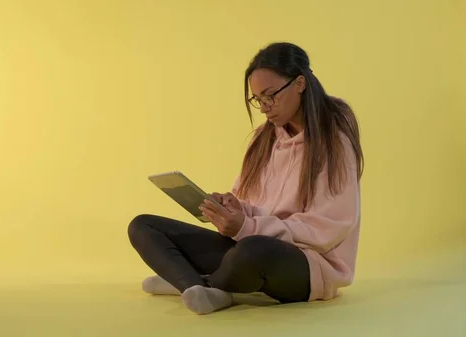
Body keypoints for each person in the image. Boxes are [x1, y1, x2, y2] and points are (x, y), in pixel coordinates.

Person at [127, 42, 364, 315]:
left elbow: (327, 229)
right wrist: (232, 208)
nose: (264, 107)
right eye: (258, 99)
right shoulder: (264, 139)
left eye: (270, 96)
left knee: (253, 250)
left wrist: (246, 227)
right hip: (249, 243)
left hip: (307, 264)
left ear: (300, 83)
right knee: (143, 226)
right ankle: (201, 286)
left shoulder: (334, 140)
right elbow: (249, 203)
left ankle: (190, 280)